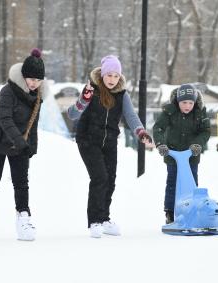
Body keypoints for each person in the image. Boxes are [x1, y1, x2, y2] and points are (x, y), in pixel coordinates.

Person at [67, 55, 152, 238]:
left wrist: (141, 133)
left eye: (116, 76)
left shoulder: (122, 95)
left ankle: (104, 218)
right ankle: (94, 221)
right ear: (102, 75)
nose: (112, 79)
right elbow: (73, 114)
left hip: (109, 141)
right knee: (99, 177)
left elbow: (131, 117)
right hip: (88, 140)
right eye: (109, 75)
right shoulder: (92, 90)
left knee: (110, 179)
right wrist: (83, 99)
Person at [0, 48, 45, 241]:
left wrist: (32, 147)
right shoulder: (8, 92)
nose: (34, 83)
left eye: (38, 80)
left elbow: (33, 123)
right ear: (23, 76)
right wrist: (21, 142)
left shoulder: (38, 97)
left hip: (19, 144)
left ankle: (23, 216)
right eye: (31, 79)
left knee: (21, 183)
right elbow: (5, 120)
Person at [153, 84, 210, 224]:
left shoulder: (199, 113)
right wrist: (161, 144)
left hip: (192, 155)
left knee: (191, 183)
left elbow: (206, 131)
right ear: (178, 101)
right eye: (184, 102)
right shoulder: (169, 111)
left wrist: (197, 144)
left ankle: (192, 209)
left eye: (190, 103)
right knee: (172, 182)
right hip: (173, 154)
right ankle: (170, 212)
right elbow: (158, 128)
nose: (187, 106)